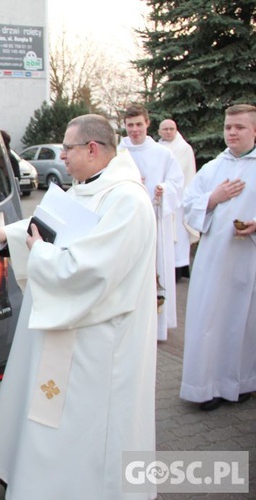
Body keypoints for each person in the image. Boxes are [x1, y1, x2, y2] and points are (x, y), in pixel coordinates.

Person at [0, 114, 157, 499]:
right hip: (72, 328)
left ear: (92, 149)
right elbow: (55, 224)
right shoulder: (89, 186)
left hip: (100, 342)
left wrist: (40, 255)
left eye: (68, 149)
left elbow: (90, 270)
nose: (63, 157)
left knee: (83, 425)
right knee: (52, 413)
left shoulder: (127, 200)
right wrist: (8, 233)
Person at [180, 103, 256, 411]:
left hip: (248, 261)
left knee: (244, 321)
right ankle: (205, 387)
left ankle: (240, 382)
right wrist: (213, 198)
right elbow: (188, 204)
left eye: (239, 127)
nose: (232, 132)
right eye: (228, 127)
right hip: (214, 262)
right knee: (209, 321)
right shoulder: (212, 168)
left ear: (254, 130)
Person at [120, 104, 184, 341]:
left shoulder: (163, 154)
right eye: (130, 125)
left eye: (138, 124)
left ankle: (155, 328)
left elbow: (178, 184)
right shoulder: (119, 153)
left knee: (155, 270)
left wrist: (163, 189)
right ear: (124, 126)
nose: (134, 130)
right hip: (127, 222)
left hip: (155, 219)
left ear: (147, 123)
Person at [158, 119, 198, 279]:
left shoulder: (184, 148)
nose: (168, 132)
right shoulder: (157, 148)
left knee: (179, 237)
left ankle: (179, 270)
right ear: (160, 131)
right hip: (161, 198)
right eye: (165, 129)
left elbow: (184, 172)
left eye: (171, 129)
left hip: (179, 199)